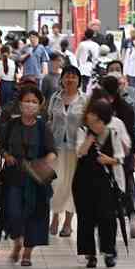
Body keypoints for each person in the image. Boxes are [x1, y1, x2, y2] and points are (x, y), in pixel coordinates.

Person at [0, 85, 57, 267]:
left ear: (39, 105)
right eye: (27, 101)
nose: (30, 105)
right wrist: (7, 156)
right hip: (14, 176)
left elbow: (53, 151)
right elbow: (1, 146)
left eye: (34, 102)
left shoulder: (43, 127)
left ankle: (28, 253)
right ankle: (17, 243)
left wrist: (45, 162)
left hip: (36, 178)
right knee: (13, 212)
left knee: (35, 215)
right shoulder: (11, 124)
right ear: (20, 103)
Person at [73, 99, 125, 268]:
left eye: (94, 115)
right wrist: (90, 138)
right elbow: (79, 153)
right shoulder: (82, 131)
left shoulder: (113, 133)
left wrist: (108, 160)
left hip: (105, 183)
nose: (89, 117)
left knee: (107, 217)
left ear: (102, 119)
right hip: (83, 181)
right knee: (86, 217)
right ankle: (90, 254)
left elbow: (120, 158)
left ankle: (109, 252)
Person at [47, 65, 86, 238]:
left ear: (79, 80)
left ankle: (68, 223)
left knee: (72, 185)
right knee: (56, 184)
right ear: (61, 79)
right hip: (56, 148)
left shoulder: (84, 100)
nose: (70, 79)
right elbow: (49, 121)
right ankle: (55, 217)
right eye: (67, 76)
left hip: (76, 150)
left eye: (73, 77)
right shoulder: (55, 98)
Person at [100, 74, 135, 238]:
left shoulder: (105, 107)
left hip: (111, 155)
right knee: (124, 189)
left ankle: (126, 219)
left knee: (117, 189)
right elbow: (132, 135)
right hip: (122, 155)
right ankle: (131, 218)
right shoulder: (126, 106)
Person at [0, 46, 18, 110]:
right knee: (9, 102)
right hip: (11, 83)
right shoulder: (13, 62)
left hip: (3, 83)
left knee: (2, 102)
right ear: (9, 53)